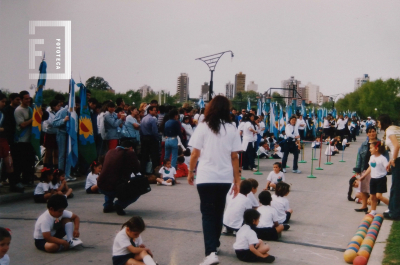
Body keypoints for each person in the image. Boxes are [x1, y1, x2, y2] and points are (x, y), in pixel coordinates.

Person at [187, 95, 242, 265]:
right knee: (218, 212)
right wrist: (237, 180)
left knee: (208, 214)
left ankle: (210, 252)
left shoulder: (203, 127)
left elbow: (195, 153)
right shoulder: (232, 128)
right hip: (224, 178)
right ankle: (215, 245)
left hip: (206, 177)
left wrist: (190, 171)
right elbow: (234, 157)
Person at [97, 140, 142, 215]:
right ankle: (120, 204)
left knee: (110, 179)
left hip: (101, 185)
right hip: (115, 187)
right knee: (138, 189)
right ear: (131, 148)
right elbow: (138, 169)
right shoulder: (130, 154)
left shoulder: (110, 152)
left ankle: (107, 205)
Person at [353, 126, 386, 212]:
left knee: (373, 191)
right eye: (370, 132)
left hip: (376, 170)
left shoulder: (380, 143)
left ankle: (372, 208)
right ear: (367, 134)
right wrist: (358, 168)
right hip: (365, 168)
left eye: (373, 131)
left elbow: (385, 156)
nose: (372, 133)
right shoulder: (364, 144)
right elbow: (359, 156)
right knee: (363, 189)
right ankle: (364, 205)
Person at [52, 96, 81, 182]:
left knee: (69, 155)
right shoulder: (62, 112)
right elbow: (54, 123)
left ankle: (67, 174)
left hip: (70, 136)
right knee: (62, 155)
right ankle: (60, 175)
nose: (77, 107)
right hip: (62, 135)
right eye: (77, 105)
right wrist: (63, 120)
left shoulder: (74, 113)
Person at [378, 115, 400, 220]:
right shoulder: (395, 128)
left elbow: (396, 146)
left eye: (378, 122)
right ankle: (392, 209)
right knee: (396, 186)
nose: (378, 125)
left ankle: (395, 212)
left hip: (398, 159)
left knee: (396, 186)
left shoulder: (390, 131)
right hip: (397, 158)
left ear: (383, 122)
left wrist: (394, 160)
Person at [13, 91, 37, 186]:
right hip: (21, 140)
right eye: (26, 99)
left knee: (29, 162)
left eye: (29, 98)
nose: (28, 100)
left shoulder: (30, 109)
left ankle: (27, 180)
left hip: (30, 140)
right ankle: (18, 181)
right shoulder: (18, 110)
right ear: (22, 99)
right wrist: (33, 119)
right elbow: (22, 124)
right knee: (21, 162)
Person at [359, 141, 389, 216]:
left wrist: (389, 168)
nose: (370, 150)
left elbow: (387, 168)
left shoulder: (383, 159)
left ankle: (392, 206)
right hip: (373, 179)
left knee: (379, 196)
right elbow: (370, 168)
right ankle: (373, 210)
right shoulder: (372, 157)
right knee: (372, 196)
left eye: (371, 148)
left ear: (376, 148)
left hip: (381, 179)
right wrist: (363, 176)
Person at [1, 93, 22, 192]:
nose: (4, 104)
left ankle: (12, 184)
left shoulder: (4, 112)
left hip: (4, 139)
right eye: (2, 102)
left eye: (5, 102)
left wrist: (3, 129)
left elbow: (8, 126)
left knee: (9, 162)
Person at [140, 105, 159, 174]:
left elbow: (141, 129)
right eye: (154, 110)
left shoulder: (143, 118)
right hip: (151, 138)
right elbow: (154, 131)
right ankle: (155, 171)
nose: (156, 111)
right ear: (150, 111)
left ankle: (143, 170)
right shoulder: (152, 119)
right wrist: (157, 138)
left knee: (144, 155)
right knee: (154, 155)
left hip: (144, 138)